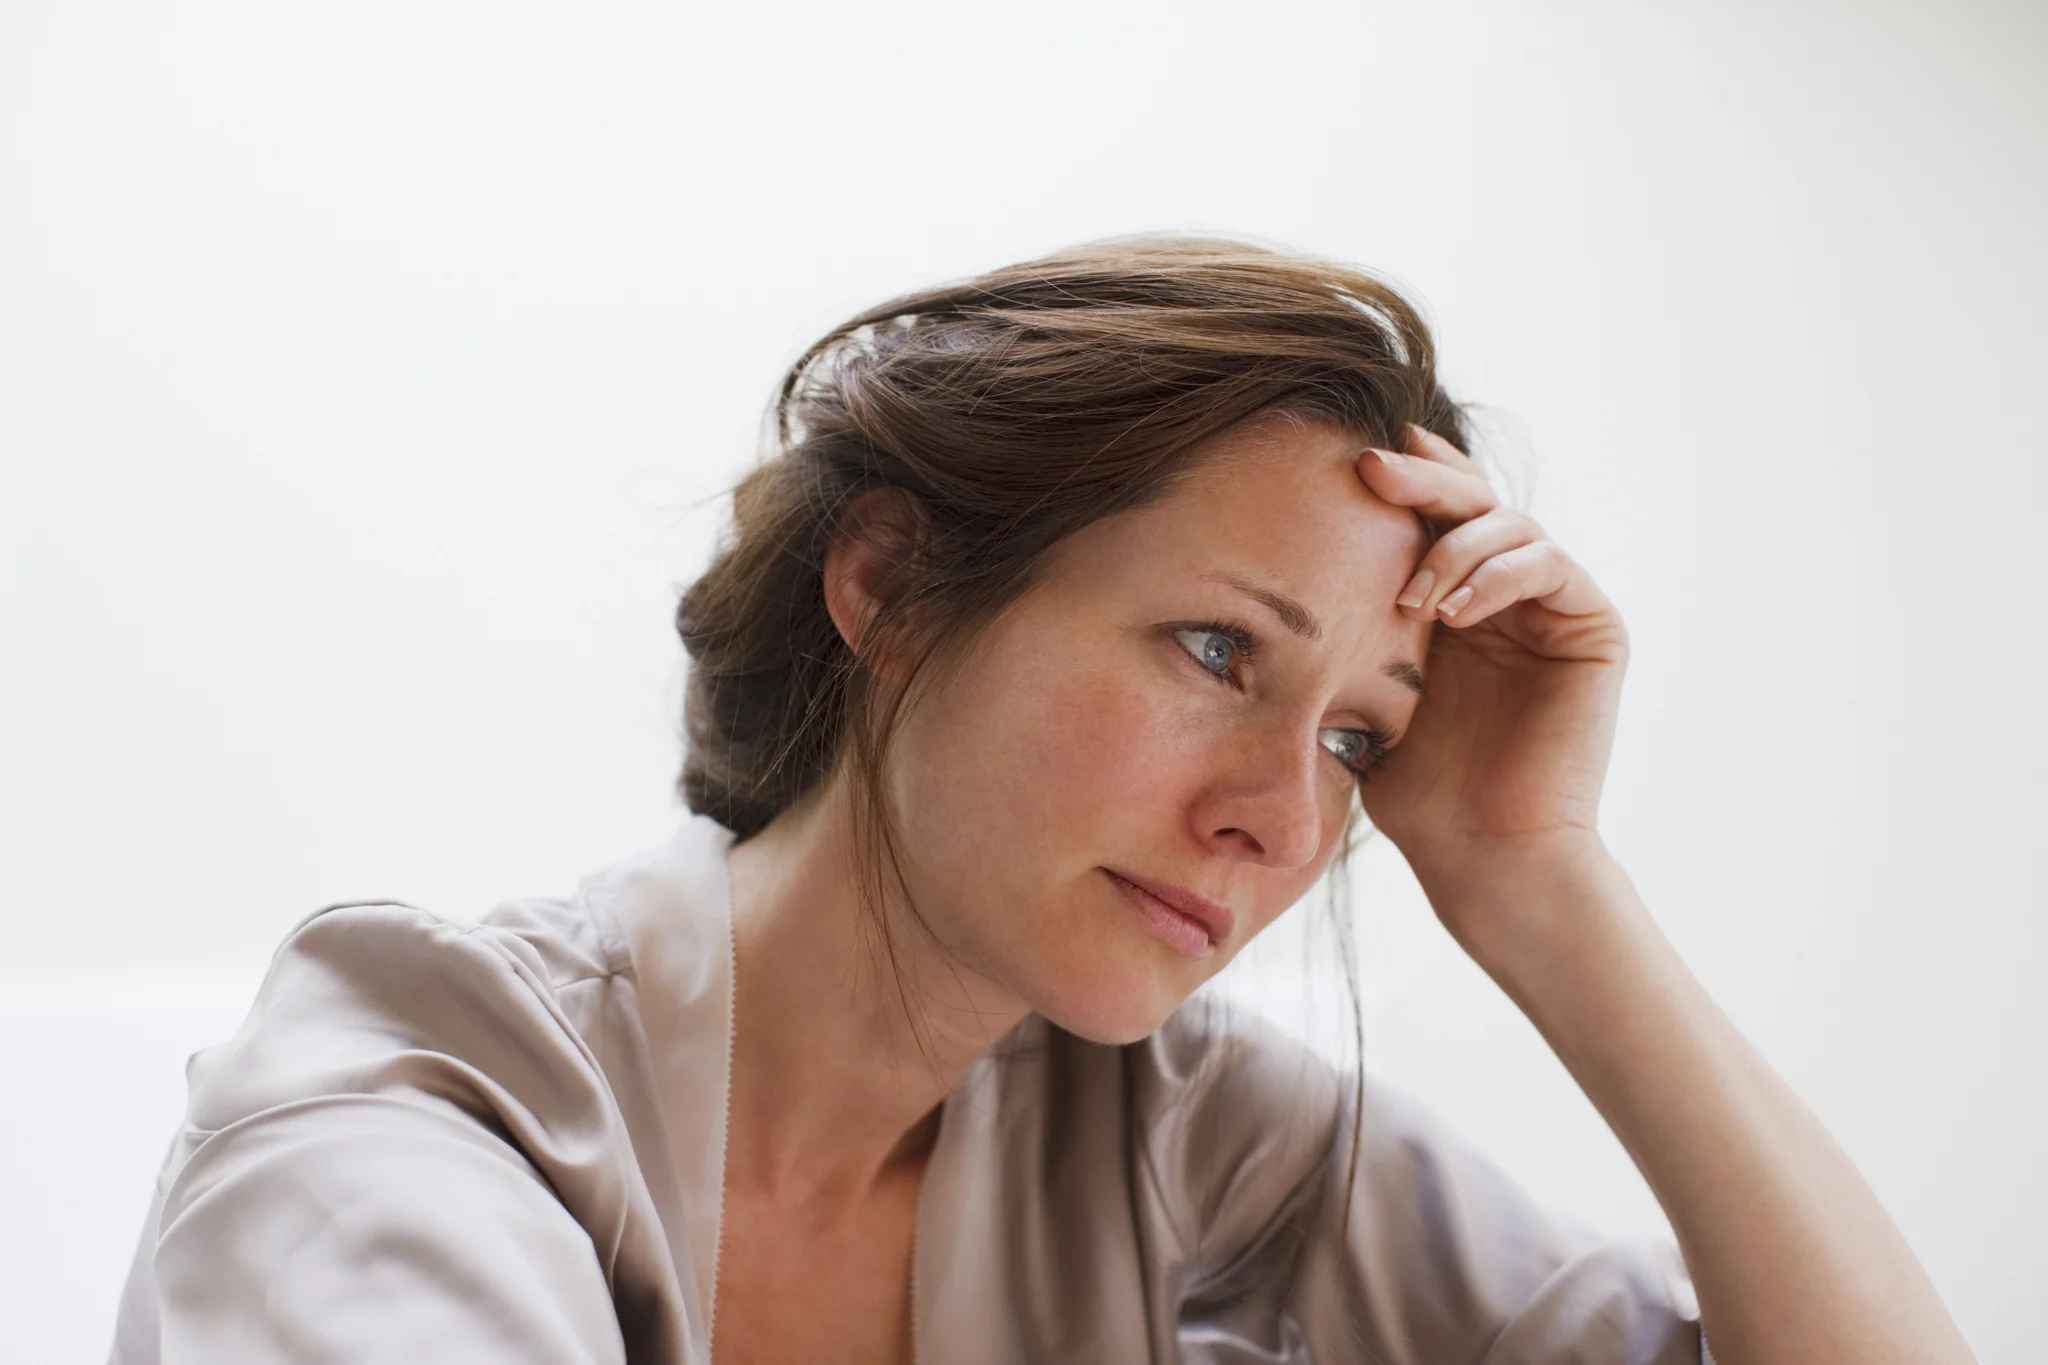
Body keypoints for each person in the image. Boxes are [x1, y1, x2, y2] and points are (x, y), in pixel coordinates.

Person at [108, 237, 1974, 1365]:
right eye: (1221, 652)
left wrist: (1534, 875)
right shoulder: (420, 1077)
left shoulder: (1192, 1136)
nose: (1284, 821)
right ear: (892, 586)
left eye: (1357, 739)